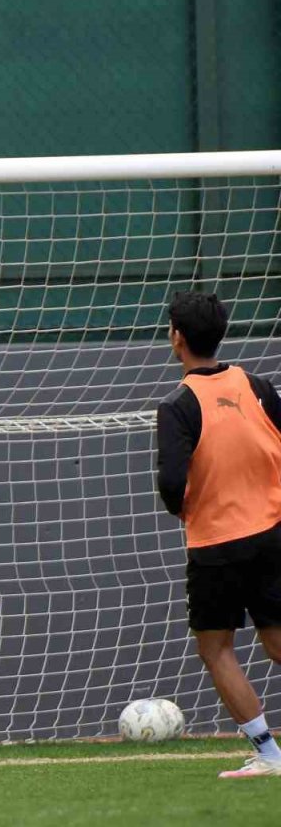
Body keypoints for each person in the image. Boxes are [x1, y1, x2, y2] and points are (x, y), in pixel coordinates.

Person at [156, 291, 281, 779]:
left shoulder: (178, 405)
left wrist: (180, 508)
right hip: (273, 532)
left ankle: (269, 754)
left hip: (217, 543)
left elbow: (171, 480)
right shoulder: (259, 386)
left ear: (178, 338)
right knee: (276, 642)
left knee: (216, 649)